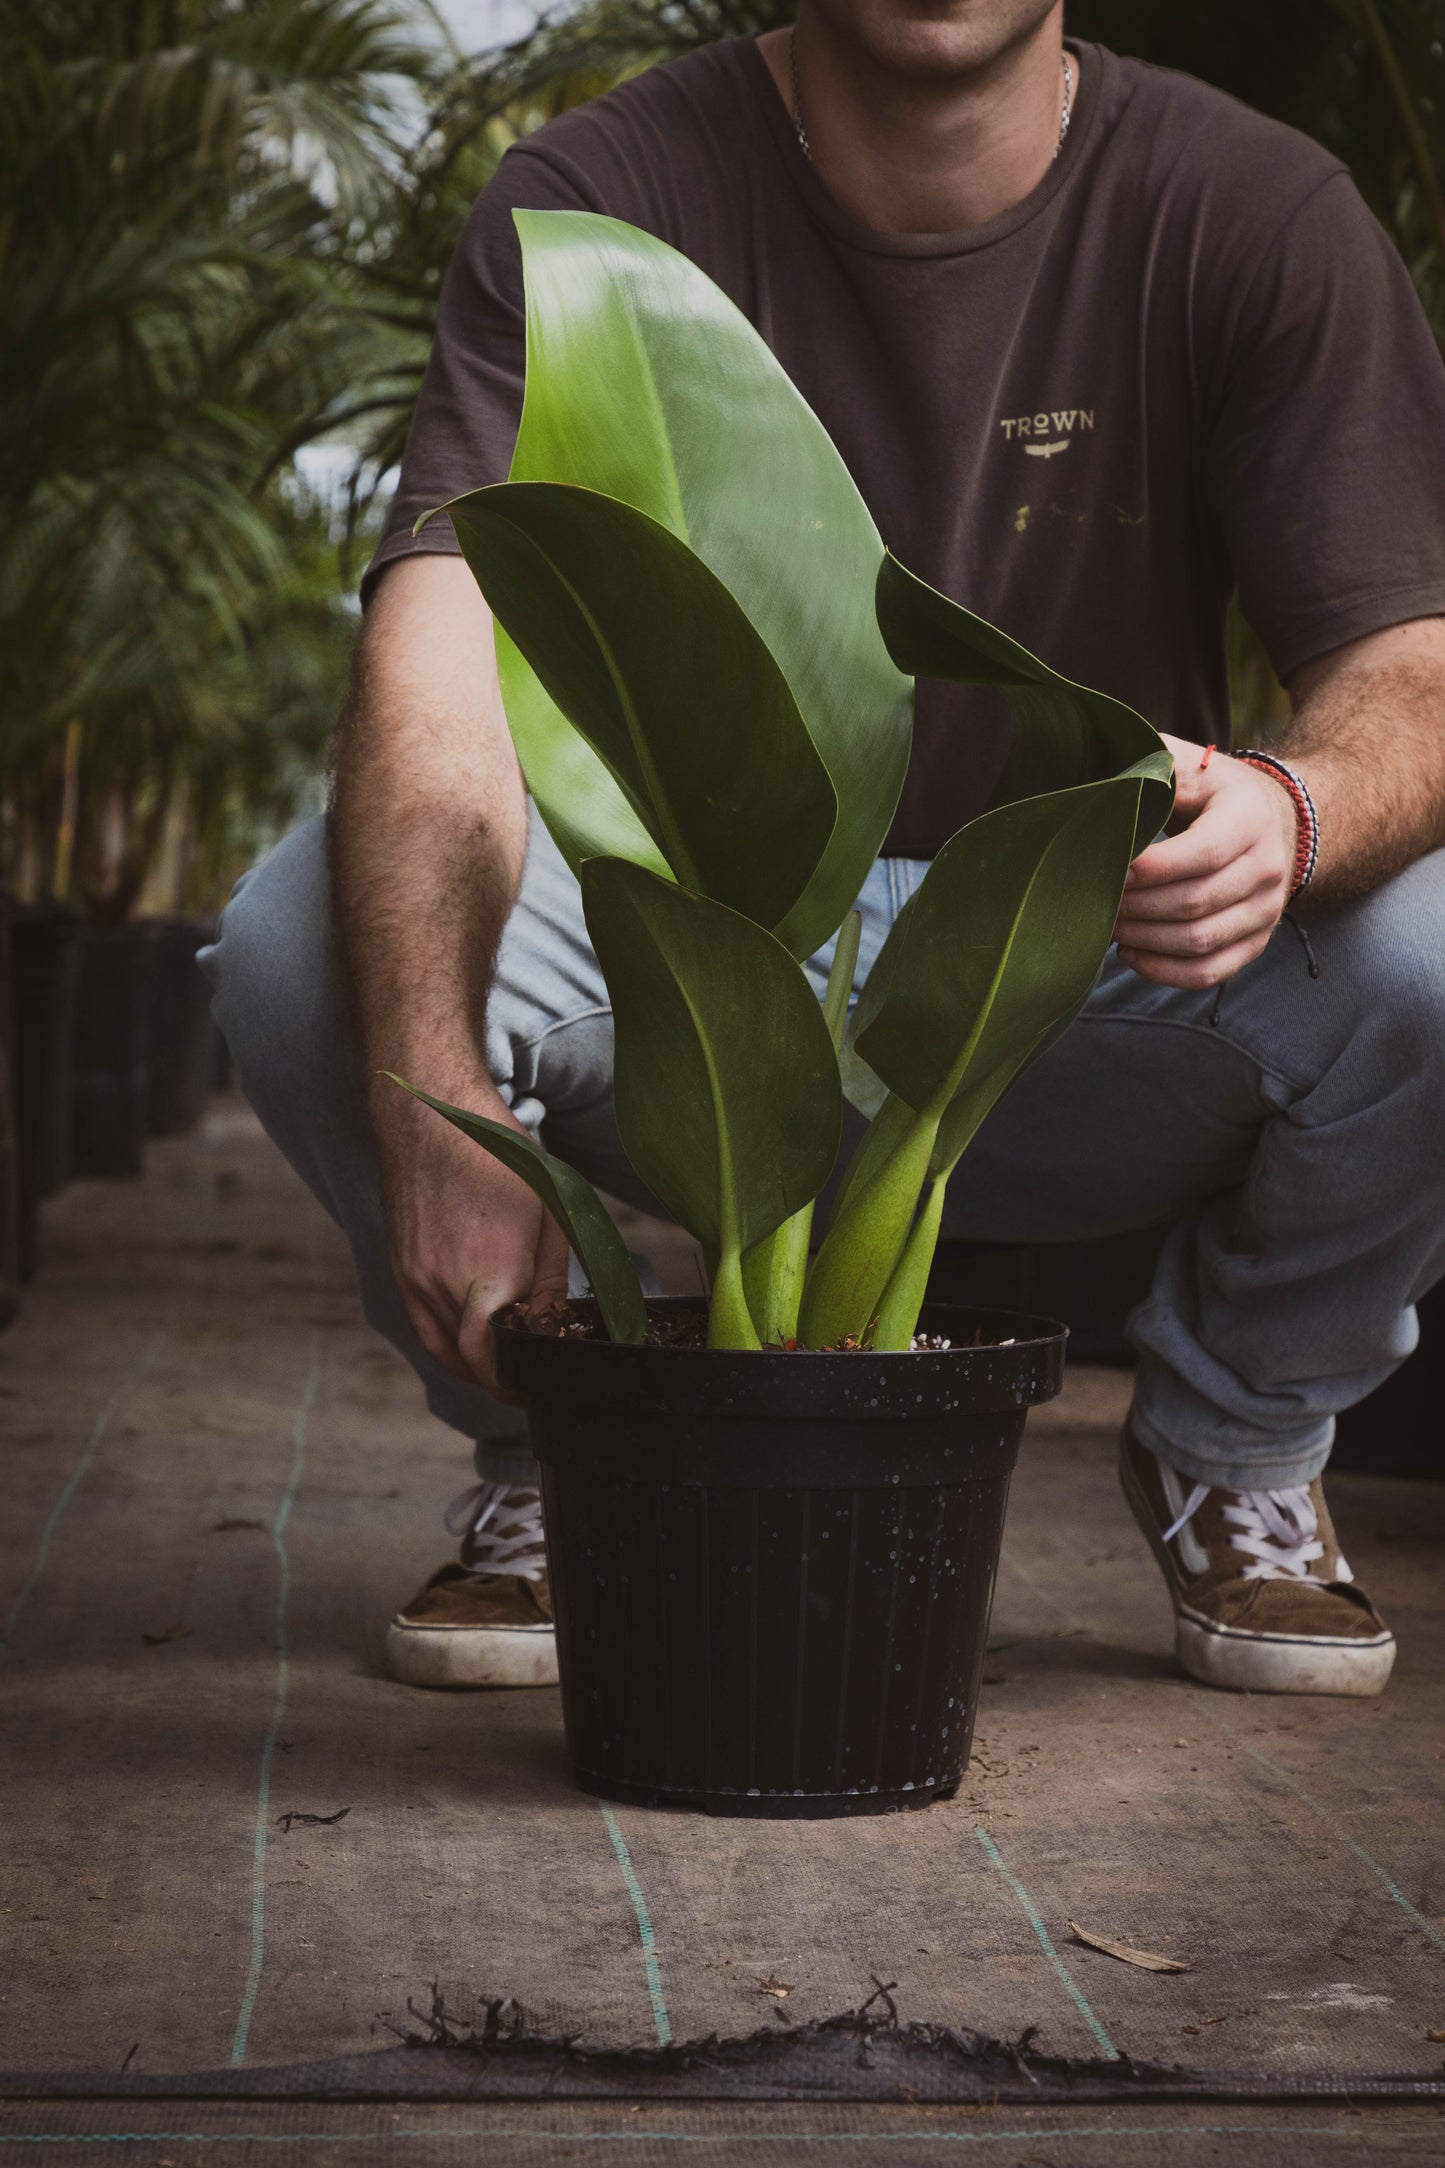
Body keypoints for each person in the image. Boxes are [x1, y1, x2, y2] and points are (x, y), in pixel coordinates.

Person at [204, 0, 1445, 1703]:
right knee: (298, 940)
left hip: (1080, 958)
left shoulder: (1252, 207)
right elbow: (444, 633)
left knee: (1435, 941)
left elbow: (1411, 662)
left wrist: (1292, 810)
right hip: (714, 956)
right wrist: (433, 1075)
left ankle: (1235, 1444)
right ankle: (564, 1449)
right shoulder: (602, 187)